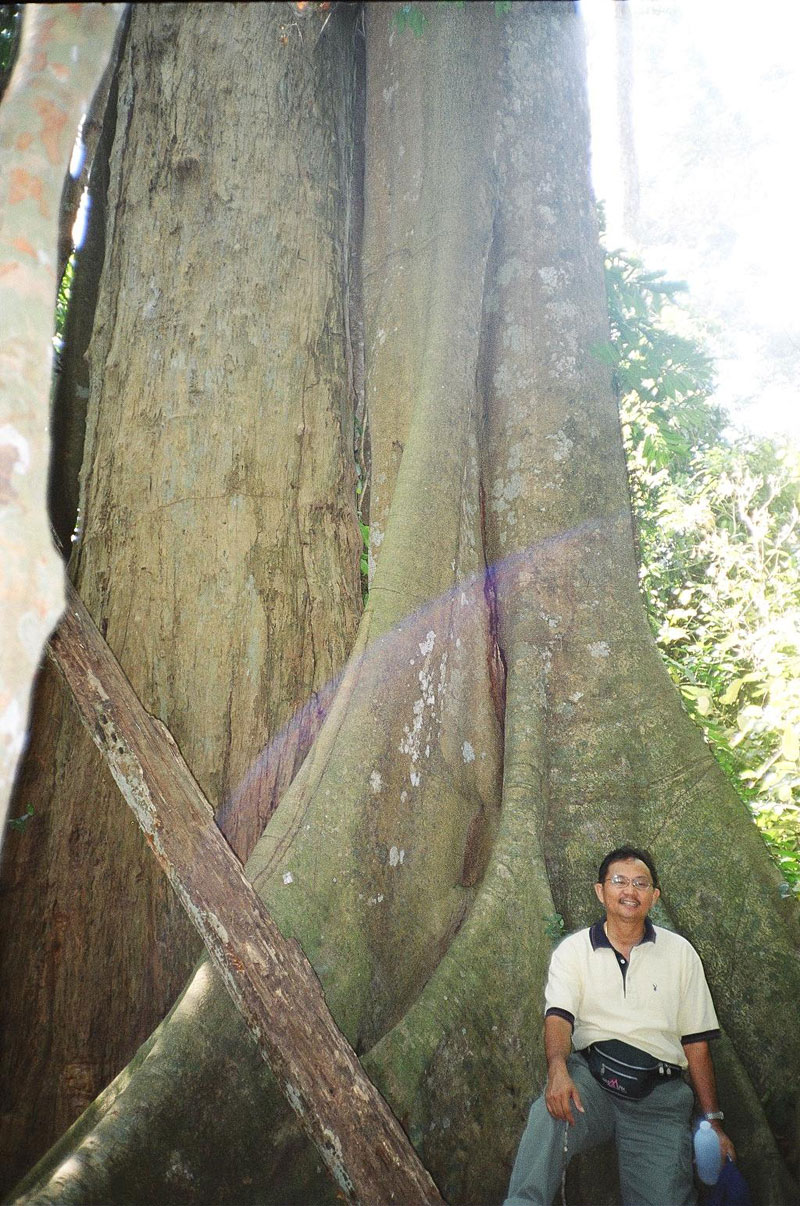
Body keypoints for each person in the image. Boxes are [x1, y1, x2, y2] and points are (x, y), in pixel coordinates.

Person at [504, 845, 736, 1206]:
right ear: (601, 891)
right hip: (592, 1083)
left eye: (641, 883)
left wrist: (714, 1122)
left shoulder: (680, 953)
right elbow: (559, 1017)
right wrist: (557, 1068)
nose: (630, 891)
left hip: (658, 1100)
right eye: (619, 881)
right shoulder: (574, 950)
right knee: (548, 1115)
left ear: (654, 897)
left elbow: (696, 1044)